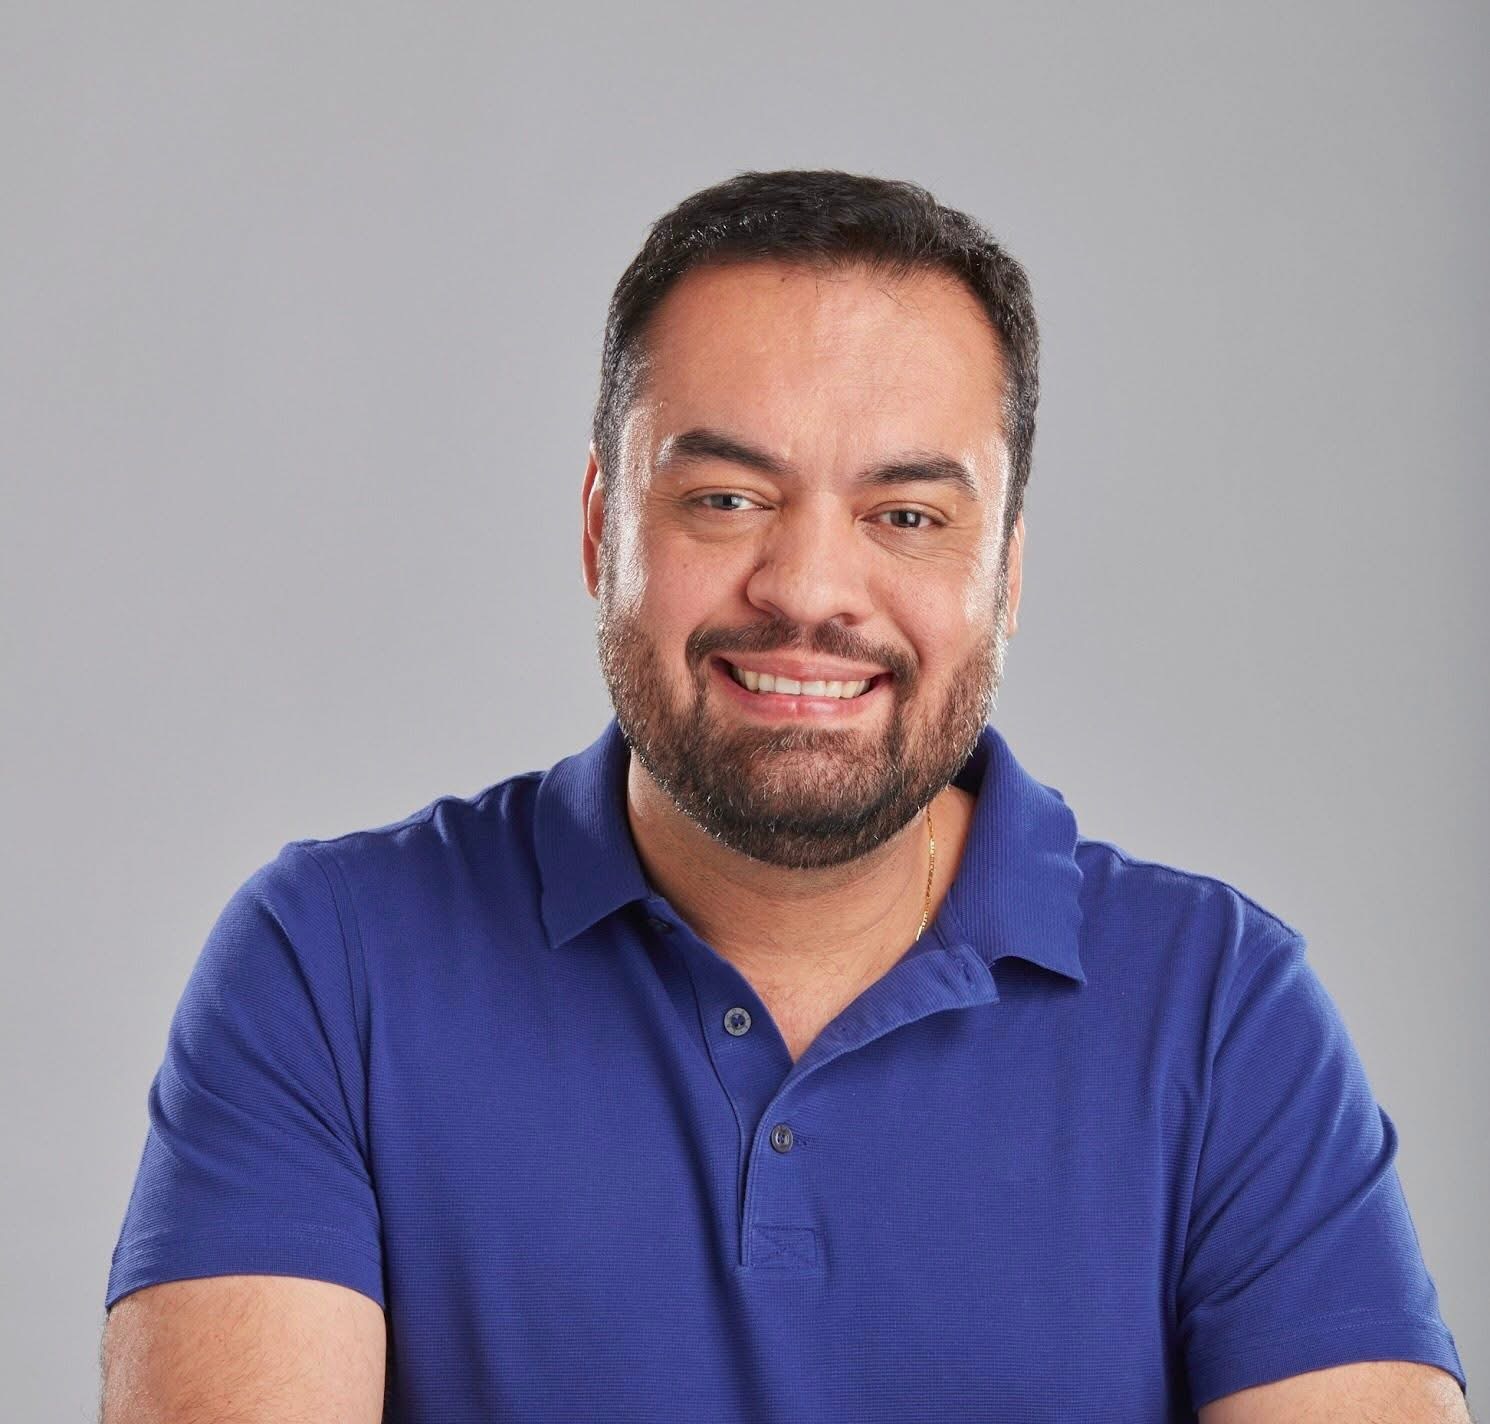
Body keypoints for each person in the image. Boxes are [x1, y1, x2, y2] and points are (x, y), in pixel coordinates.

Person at [100, 170, 1470, 1422]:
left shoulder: (1220, 1009)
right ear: (601, 529)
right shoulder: (331, 963)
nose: (809, 589)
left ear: (1003, 574)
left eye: (906, 516)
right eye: (727, 499)